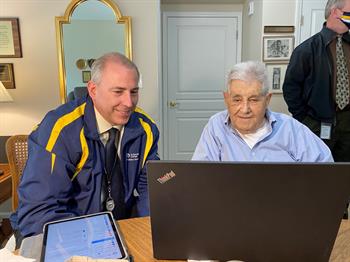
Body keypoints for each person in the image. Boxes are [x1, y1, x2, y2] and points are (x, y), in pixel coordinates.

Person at [12, 52, 160, 240]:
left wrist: (151, 228)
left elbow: (151, 189)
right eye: (118, 92)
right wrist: (93, 240)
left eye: (134, 92)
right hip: (67, 233)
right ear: (93, 90)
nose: (128, 103)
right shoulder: (60, 129)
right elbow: (38, 212)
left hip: (118, 230)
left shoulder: (145, 128)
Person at [192, 61, 333, 162]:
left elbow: (325, 168)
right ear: (226, 99)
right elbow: (200, 176)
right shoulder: (215, 127)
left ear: (267, 100)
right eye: (237, 100)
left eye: (253, 100)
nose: (245, 109)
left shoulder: (290, 128)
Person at [283, 0, 350, 162]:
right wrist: (305, 121)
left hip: (348, 124)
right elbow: (291, 88)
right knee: (317, 175)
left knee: (345, 175)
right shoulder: (306, 50)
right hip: (317, 125)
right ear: (335, 12)